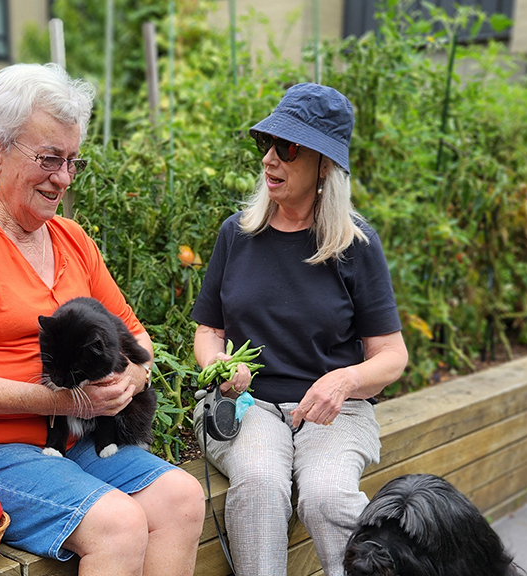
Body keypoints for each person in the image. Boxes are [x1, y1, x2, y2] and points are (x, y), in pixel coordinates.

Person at [0, 63, 205, 575]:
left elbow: (135, 333)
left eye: (72, 160)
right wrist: (62, 397)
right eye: (49, 158)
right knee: (119, 525)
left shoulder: (72, 240)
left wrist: (131, 376)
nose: (63, 177)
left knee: (182, 499)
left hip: (67, 439)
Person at [191, 83, 409, 576]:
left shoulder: (356, 244)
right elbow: (208, 332)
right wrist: (219, 364)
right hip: (250, 404)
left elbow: (391, 357)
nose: (270, 159)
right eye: (266, 144)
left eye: (287, 148)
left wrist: (346, 381)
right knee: (260, 484)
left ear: (324, 166)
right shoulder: (237, 235)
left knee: (329, 497)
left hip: (333, 408)